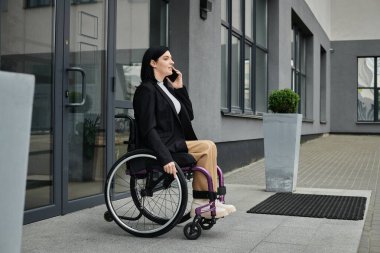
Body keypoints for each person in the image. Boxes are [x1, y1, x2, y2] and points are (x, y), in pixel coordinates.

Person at [133, 46, 236, 218]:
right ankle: (202, 202)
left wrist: (180, 88)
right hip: (162, 145)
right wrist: (165, 157)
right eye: (166, 58)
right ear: (153, 63)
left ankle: (209, 200)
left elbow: (189, 116)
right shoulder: (146, 90)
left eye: (171, 58)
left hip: (174, 142)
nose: (172, 62)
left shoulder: (164, 87)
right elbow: (147, 128)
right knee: (206, 147)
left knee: (209, 147)